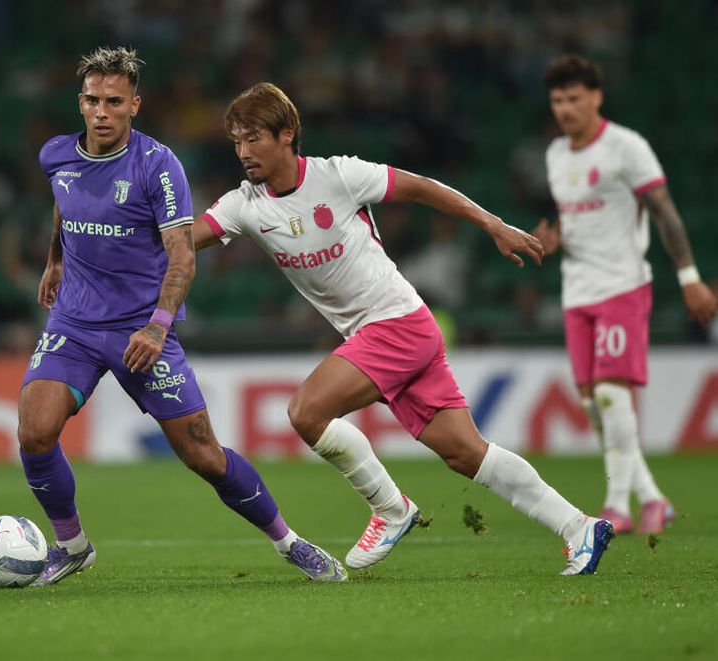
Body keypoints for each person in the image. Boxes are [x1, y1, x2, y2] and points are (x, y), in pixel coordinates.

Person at [193, 82, 613, 575]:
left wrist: (493, 224)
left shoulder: (339, 176)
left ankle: (391, 509)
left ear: (287, 134)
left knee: (306, 412)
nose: (243, 152)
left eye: (253, 139)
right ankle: (579, 526)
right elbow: (181, 242)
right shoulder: (244, 205)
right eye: (236, 142)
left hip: (396, 323)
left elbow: (422, 187)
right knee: (466, 453)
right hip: (394, 331)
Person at [18, 48, 345, 586]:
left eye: (114, 102)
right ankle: (71, 544)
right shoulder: (56, 155)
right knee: (34, 431)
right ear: (80, 102)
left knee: (205, 456)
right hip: (74, 324)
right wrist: (55, 258)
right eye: (93, 100)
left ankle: (289, 542)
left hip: (142, 331)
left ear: (134, 106)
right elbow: (63, 201)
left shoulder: (157, 166)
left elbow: (183, 255)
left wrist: (157, 325)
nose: (102, 111)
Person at [533, 55, 718, 535]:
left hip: (622, 286)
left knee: (614, 398)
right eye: (558, 100)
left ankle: (617, 505)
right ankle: (653, 497)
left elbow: (665, 212)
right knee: (595, 405)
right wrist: (555, 242)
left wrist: (689, 276)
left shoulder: (626, 146)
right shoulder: (556, 156)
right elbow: (575, 222)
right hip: (577, 292)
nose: (566, 108)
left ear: (597, 96)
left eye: (575, 98)